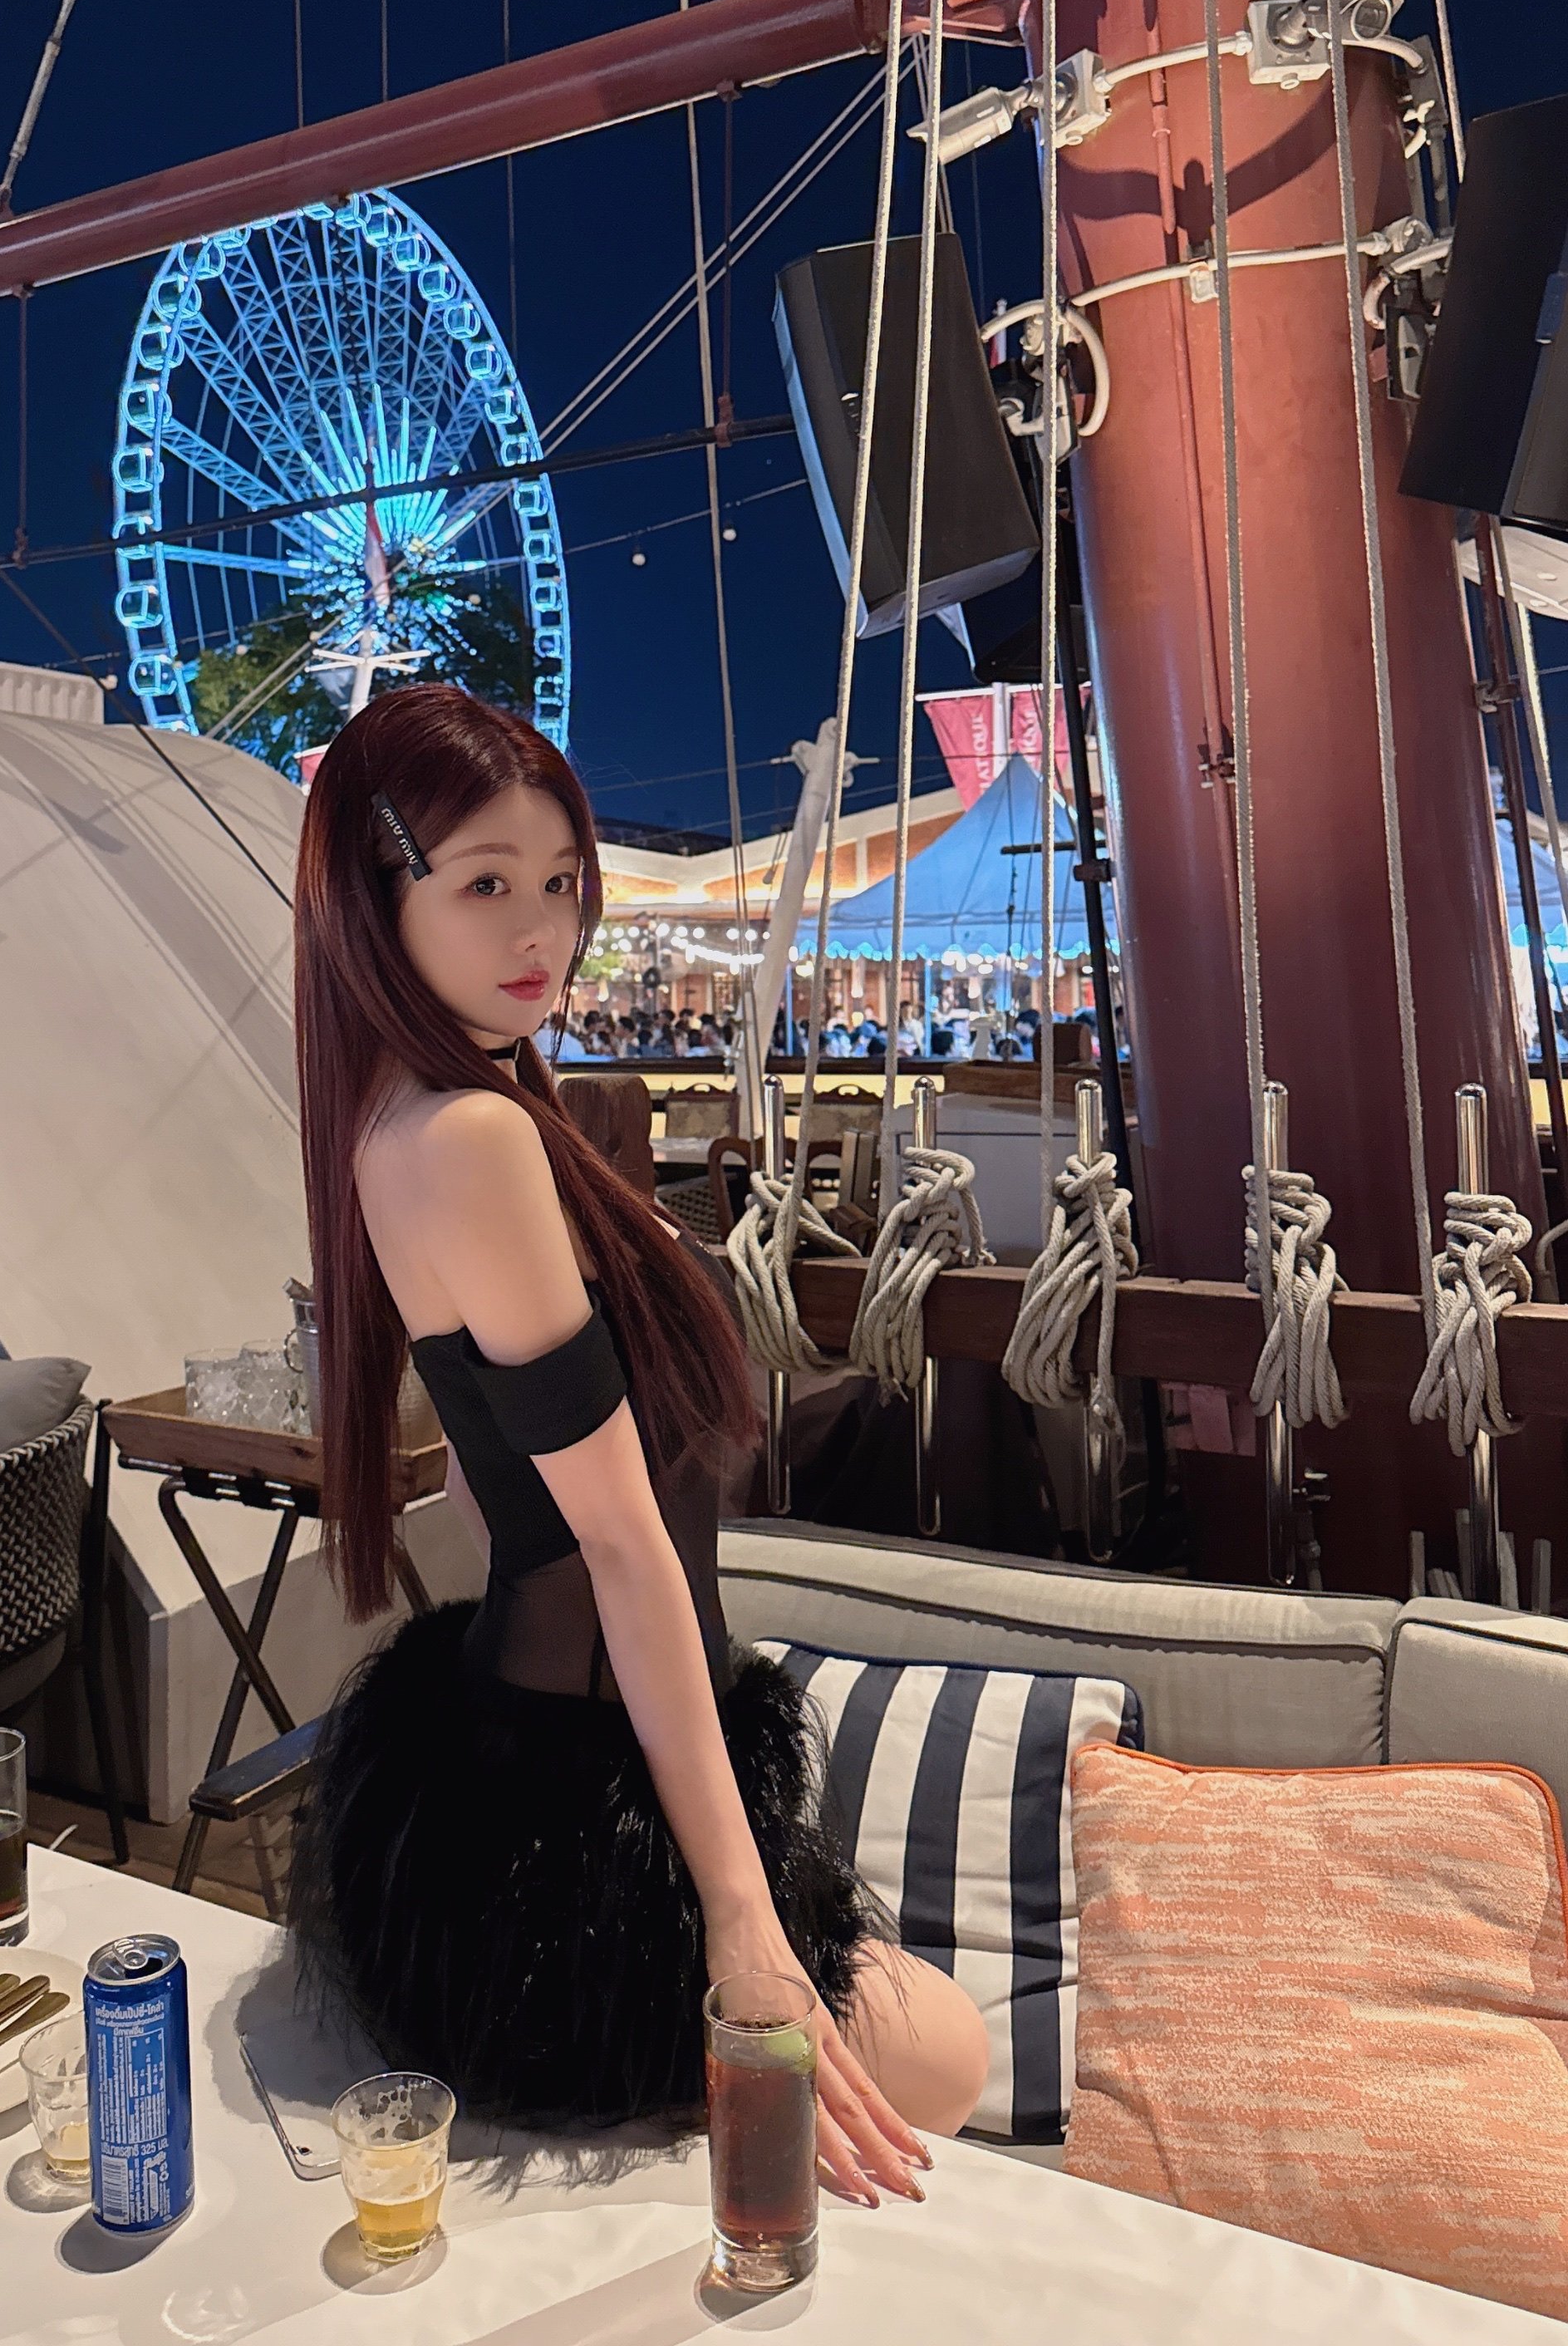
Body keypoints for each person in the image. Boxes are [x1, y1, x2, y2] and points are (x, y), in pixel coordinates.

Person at [286, 686, 986, 2184]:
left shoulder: (413, 1115)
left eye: (561, 884)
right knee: (948, 2059)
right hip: (585, 1802)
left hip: (520, 1738)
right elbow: (620, 1539)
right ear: (372, 893)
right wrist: (737, 1920)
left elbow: (507, 1497)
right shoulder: (475, 1134)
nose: (542, 932)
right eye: (485, 885)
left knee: (919, 2044)